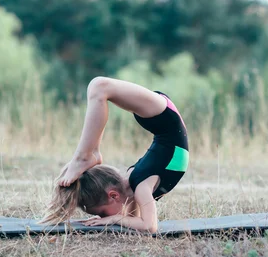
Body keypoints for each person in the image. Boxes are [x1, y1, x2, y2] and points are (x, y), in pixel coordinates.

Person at [40, 77, 189, 233]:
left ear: (113, 195)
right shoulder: (137, 188)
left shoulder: (140, 187)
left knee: (99, 87)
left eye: (101, 212)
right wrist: (109, 219)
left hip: (165, 120)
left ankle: (86, 156)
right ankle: (90, 153)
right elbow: (138, 220)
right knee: (98, 88)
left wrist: (112, 218)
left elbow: (149, 226)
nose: (102, 216)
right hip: (164, 121)